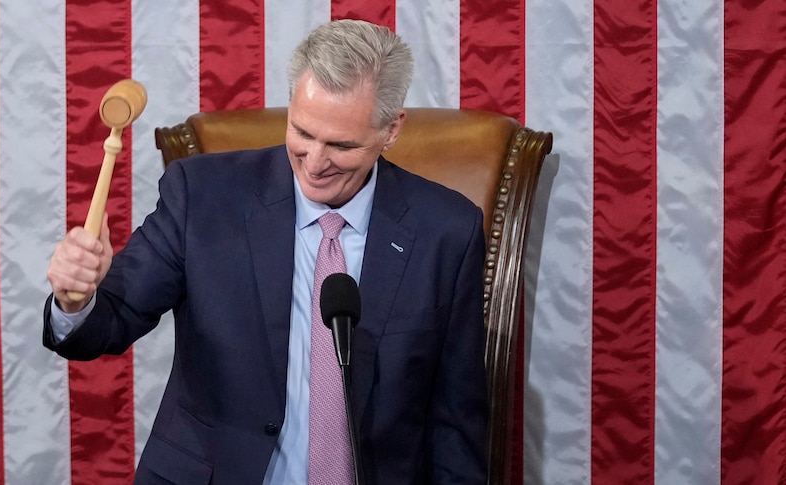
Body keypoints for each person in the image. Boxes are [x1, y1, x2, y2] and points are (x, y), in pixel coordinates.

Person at [44, 19, 487, 484]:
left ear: (391, 129)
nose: (315, 163)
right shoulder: (204, 196)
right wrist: (75, 301)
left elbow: (455, 421)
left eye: (340, 145)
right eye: (302, 133)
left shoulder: (446, 231)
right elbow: (111, 319)